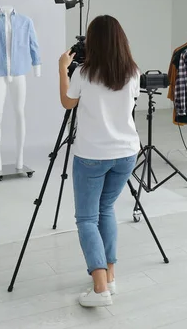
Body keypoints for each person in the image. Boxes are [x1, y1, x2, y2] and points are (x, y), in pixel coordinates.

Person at [58, 15, 141, 307]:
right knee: (106, 209)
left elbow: (68, 103)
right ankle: (111, 277)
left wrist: (62, 70)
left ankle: (99, 289)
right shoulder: (133, 72)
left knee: (86, 218)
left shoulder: (83, 72)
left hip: (92, 155)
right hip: (127, 153)